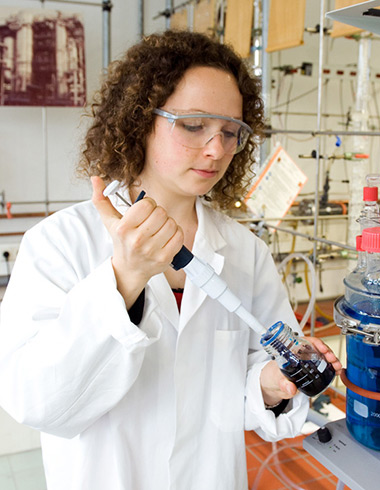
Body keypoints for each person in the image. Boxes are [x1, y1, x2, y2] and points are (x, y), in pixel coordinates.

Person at [0, 30, 342, 490]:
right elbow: (37, 402)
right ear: (140, 120)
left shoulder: (245, 252)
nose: (216, 148)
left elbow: (244, 385)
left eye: (229, 132)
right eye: (194, 125)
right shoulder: (61, 243)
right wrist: (124, 279)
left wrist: (270, 383)